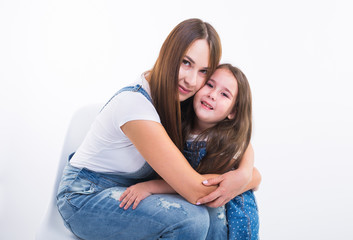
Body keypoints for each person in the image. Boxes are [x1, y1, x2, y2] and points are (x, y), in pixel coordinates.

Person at [56, 18, 258, 240]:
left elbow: (236, 135)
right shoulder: (135, 105)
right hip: (84, 197)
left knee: (213, 213)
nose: (191, 80)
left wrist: (245, 172)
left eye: (203, 72)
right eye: (186, 62)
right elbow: (195, 190)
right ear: (169, 54)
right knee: (192, 220)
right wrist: (246, 179)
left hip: (127, 189)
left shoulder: (178, 96)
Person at [119, 64, 260, 239]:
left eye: (224, 94)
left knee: (211, 214)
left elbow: (201, 185)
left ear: (233, 112)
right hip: (195, 208)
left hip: (230, 219)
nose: (212, 94)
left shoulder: (225, 143)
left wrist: (149, 187)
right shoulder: (178, 125)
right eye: (209, 84)